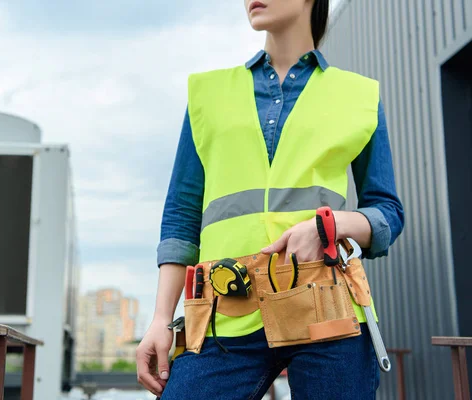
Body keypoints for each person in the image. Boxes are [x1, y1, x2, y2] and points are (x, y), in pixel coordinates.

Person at [136, 0, 404, 398]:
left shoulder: (358, 96)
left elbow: (387, 211)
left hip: (327, 308)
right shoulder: (208, 94)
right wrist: (161, 318)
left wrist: (331, 226)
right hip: (223, 313)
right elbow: (182, 215)